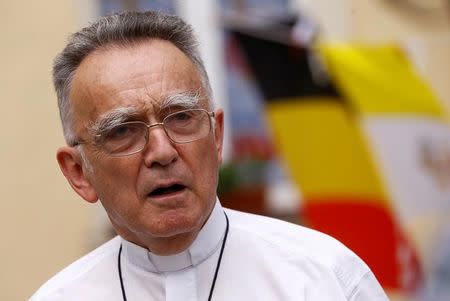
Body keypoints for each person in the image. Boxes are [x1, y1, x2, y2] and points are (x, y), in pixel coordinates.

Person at [31, 10, 388, 301]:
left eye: (182, 117)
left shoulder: (326, 277)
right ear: (78, 172)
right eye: (123, 130)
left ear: (216, 136)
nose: (163, 151)